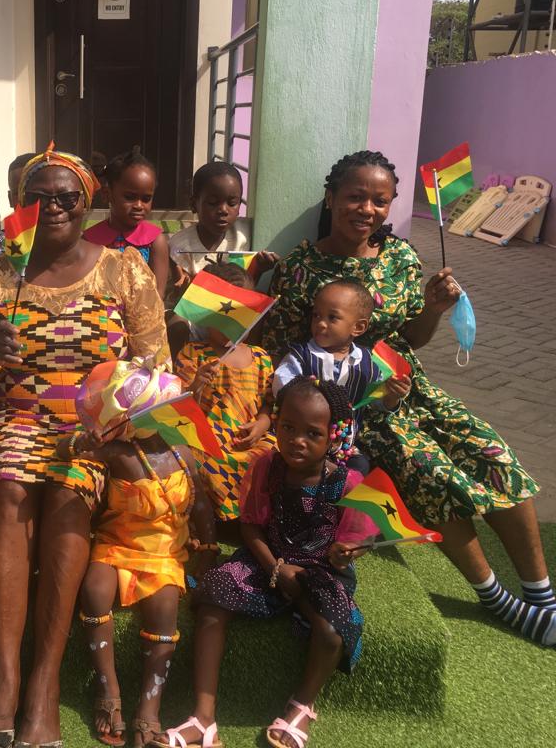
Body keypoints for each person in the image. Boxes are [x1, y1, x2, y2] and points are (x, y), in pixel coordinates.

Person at [262, 149, 556, 646]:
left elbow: (412, 337)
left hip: (410, 387)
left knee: (492, 452)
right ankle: (497, 599)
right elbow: (280, 348)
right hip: (355, 406)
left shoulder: (400, 258)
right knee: (433, 473)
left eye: (381, 201)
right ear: (331, 198)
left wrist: (436, 308)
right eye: (356, 197)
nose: (368, 210)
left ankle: (542, 594)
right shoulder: (301, 267)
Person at [0, 143, 169, 747]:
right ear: (22, 206)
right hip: (19, 417)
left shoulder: (125, 270)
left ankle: (44, 686)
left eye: (65, 196)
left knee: (70, 496)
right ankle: (5, 681)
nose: (52, 206)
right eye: (38, 197)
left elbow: (155, 366)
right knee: (14, 490)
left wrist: (112, 417)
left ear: (85, 201)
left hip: (93, 424)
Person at [160, 378, 378, 748]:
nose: (297, 440)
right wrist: (276, 568)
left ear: (333, 437)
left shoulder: (346, 482)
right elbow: (250, 526)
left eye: (312, 433)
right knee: (213, 602)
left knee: (332, 630)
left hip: (320, 569)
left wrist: (348, 550)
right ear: (276, 424)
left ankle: (301, 706)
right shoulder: (266, 468)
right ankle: (203, 718)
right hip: (265, 559)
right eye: (288, 428)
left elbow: (359, 539)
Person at [68, 360, 218, 748]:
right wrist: (78, 444)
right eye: (159, 408)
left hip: (165, 552)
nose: (168, 413)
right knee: (95, 589)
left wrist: (210, 544)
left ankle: (149, 710)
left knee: (165, 608)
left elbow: (200, 502)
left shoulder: (182, 450)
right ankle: (108, 691)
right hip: (116, 542)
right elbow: (69, 451)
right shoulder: (117, 451)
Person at [272, 278, 412, 475]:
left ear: (358, 327)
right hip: (300, 441)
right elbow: (281, 386)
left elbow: (375, 403)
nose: (320, 323)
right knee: (282, 467)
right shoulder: (301, 356)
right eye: (316, 315)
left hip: (342, 447)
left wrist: (391, 394)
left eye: (332, 318)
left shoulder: (368, 363)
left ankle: (335, 504)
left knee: (360, 467)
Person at [173, 263, 276, 522]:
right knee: (199, 459)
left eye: (239, 316)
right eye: (222, 317)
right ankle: (223, 516)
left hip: (250, 438)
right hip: (209, 439)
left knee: (273, 454)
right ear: (206, 316)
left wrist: (262, 424)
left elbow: (269, 403)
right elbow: (183, 408)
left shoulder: (261, 358)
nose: (231, 325)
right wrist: (197, 383)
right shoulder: (192, 354)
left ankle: (254, 514)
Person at [169, 162, 277, 284]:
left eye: (232, 203)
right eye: (212, 202)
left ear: (240, 205)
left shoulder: (246, 234)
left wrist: (259, 269)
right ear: (194, 205)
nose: (223, 210)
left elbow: (245, 288)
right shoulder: (180, 246)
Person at [83, 151, 170, 297]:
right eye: (129, 197)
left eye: (146, 198)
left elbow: (158, 293)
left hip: (143, 314)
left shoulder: (155, 241)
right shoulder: (90, 240)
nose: (138, 205)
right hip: (98, 315)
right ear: (107, 194)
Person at [0, 152, 39, 258]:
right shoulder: (4, 241)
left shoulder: (68, 235)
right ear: (10, 199)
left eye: (34, 192)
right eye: (18, 193)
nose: (25, 199)